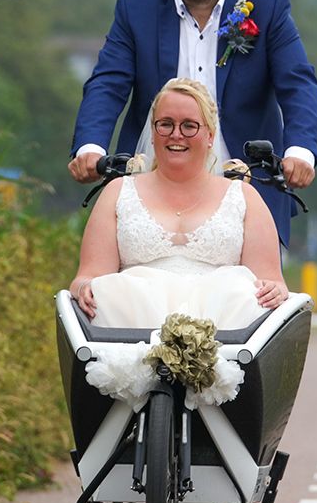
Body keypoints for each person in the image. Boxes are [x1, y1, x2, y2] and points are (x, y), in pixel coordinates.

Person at [68, 0, 317, 246]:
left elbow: (298, 84)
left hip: (247, 185)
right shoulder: (135, 9)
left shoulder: (267, 6)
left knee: (258, 295)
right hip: (151, 183)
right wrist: (90, 146)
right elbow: (107, 83)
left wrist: (300, 152)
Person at [69, 78, 289, 330]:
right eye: (165, 124)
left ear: (210, 135)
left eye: (189, 126)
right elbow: (87, 276)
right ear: (152, 132)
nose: (176, 134)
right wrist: (85, 287)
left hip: (223, 333)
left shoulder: (244, 197)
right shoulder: (117, 193)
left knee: (239, 289)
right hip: (132, 327)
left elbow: (270, 281)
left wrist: (275, 289)